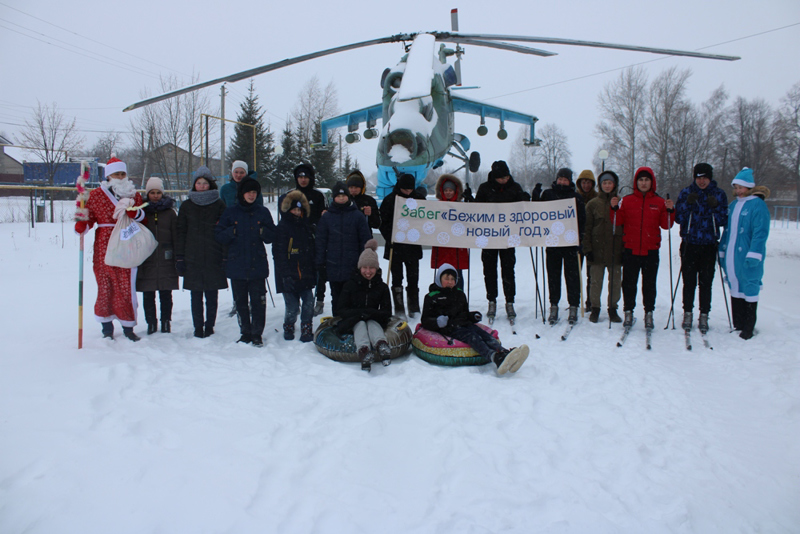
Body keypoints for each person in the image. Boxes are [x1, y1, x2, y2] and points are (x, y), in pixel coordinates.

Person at [74, 156, 145, 341]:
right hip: (104, 244)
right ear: (108, 176)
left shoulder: (133, 194)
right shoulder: (96, 195)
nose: (120, 177)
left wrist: (135, 213)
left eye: (123, 173)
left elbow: (143, 216)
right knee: (105, 284)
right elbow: (88, 218)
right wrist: (83, 225)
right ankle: (106, 327)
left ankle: (128, 327)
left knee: (125, 285)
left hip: (127, 240)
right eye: (116, 174)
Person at [421, 264, 530, 376]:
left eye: (453, 279)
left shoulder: (459, 294)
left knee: (484, 335)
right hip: (449, 327)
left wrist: (473, 316)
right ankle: (494, 357)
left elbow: (464, 313)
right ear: (439, 279)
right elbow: (425, 320)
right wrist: (438, 322)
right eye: (446, 278)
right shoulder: (432, 297)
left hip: (464, 323)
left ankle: (504, 352)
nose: (450, 282)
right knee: (473, 337)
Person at [610, 167, 675, 330]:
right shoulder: (628, 200)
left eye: (646, 180)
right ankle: (629, 311)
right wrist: (614, 208)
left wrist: (670, 210)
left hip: (650, 250)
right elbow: (617, 221)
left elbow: (666, 225)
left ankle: (649, 313)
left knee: (649, 284)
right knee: (629, 284)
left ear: (652, 182)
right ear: (636, 182)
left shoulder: (659, 202)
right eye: (641, 180)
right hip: (631, 250)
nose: (643, 183)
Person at [215, 179, 275, 347]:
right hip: (237, 265)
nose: (251, 195)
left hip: (258, 264)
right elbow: (219, 235)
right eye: (248, 192)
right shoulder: (230, 212)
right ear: (242, 193)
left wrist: (263, 232)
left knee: (258, 302)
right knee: (241, 302)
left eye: (254, 192)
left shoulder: (262, 212)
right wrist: (231, 231)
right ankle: (245, 332)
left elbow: (272, 235)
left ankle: (257, 333)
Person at [675, 163, 729, 333]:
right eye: (699, 177)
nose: (702, 181)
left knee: (706, 282)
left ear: (710, 178)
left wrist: (716, 207)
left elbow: (723, 220)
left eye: (705, 177)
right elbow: (678, 217)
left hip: (708, 245)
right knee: (689, 282)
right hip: (690, 244)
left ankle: (704, 314)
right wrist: (688, 204)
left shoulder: (718, 194)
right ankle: (688, 312)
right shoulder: (686, 192)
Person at [475, 160, 530, 322]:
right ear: (495, 177)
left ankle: (509, 302)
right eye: (501, 178)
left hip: (508, 237)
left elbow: (523, 208)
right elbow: (476, 211)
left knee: (508, 271)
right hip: (489, 237)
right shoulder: (485, 188)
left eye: (506, 177)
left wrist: (526, 198)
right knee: (489, 270)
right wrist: (470, 202)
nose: (504, 180)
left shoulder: (515, 187)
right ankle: (491, 300)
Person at [176, 166, 228, 338]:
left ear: (210, 184)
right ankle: (198, 326)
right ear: (194, 185)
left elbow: (224, 230)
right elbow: (180, 231)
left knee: (212, 294)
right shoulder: (187, 205)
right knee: (196, 295)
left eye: (205, 183)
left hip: (214, 255)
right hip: (193, 256)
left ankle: (210, 325)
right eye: (199, 183)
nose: (202, 186)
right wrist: (180, 257)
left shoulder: (219, 204)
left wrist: (225, 256)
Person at [719, 167, 770, 340]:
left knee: (749, 285)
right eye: (736, 187)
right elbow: (727, 230)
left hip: (747, 254)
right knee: (734, 283)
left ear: (749, 187)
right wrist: (722, 250)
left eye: (741, 187)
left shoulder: (757, 205)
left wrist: (754, 253)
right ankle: (738, 322)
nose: (738, 191)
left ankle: (749, 326)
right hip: (732, 254)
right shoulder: (733, 205)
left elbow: (760, 232)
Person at [538, 167, 586, 325]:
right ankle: (554, 305)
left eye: (565, 179)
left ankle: (573, 306)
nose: (562, 182)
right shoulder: (548, 194)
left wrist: (580, 240)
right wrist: (534, 196)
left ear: (570, 181)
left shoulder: (576, 197)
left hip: (571, 244)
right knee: (553, 276)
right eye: (560, 179)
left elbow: (582, 221)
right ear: (556, 179)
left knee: (572, 277)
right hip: (553, 243)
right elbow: (537, 213)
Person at [316, 181, 372, 316]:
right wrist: (320, 263)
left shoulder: (357, 215)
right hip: (333, 266)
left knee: (353, 297)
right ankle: (338, 322)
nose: (341, 198)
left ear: (348, 197)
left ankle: (352, 323)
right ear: (333, 198)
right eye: (338, 196)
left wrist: (365, 262)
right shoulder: (327, 217)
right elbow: (321, 241)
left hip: (353, 266)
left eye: (344, 195)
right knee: (336, 297)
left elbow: (365, 241)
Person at [337, 240, 393, 371]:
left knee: (372, 323)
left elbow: (387, 311)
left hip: (374, 318)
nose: (368, 271)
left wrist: (371, 313)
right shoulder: (350, 285)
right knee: (361, 324)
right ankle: (364, 351)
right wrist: (360, 314)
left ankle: (381, 345)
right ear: (359, 268)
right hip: (353, 320)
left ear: (377, 268)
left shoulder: (382, 287)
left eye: (371, 267)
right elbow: (341, 309)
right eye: (365, 268)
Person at [280, 164, 328, 316]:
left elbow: (324, 217)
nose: (303, 180)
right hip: (296, 240)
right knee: (298, 269)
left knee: (319, 269)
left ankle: (319, 300)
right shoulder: (290, 195)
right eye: (300, 177)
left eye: (305, 177)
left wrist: (316, 227)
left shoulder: (318, 195)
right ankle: (297, 302)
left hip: (314, 239)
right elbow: (285, 217)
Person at [136, 177, 179, 335]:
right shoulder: (142, 212)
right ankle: (151, 322)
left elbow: (176, 235)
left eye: (158, 193)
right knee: (148, 293)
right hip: (148, 258)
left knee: (166, 293)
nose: (155, 196)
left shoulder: (170, 213)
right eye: (152, 193)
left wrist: (177, 255)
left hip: (166, 257)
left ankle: (166, 321)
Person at [273, 190, 317, 343]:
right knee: (291, 306)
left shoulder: (306, 227)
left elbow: (312, 250)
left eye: (299, 210)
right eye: (294, 210)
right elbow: (278, 253)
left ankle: (306, 326)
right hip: (288, 274)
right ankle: (289, 324)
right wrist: (284, 274)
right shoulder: (282, 228)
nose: (297, 213)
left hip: (305, 272)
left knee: (308, 303)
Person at [379, 173, 425, 318]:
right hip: (395, 246)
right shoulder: (390, 200)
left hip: (412, 245)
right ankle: (399, 307)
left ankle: (414, 306)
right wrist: (390, 236)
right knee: (396, 277)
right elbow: (383, 223)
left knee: (413, 277)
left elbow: (424, 221)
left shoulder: (419, 200)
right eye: (405, 189)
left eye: (410, 189)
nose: (408, 192)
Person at [583, 171, 623, 323]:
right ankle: (595, 308)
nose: (607, 185)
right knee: (595, 282)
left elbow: (625, 226)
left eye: (610, 183)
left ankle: (613, 309)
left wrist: (624, 250)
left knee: (615, 282)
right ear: (600, 185)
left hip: (615, 249)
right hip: (597, 249)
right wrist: (587, 249)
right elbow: (587, 229)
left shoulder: (620, 203)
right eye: (604, 183)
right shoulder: (593, 204)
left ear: (614, 185)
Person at [430, 174, 470, 291]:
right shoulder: (436, 206)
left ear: (455, 191)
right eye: (446, 190)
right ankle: (441, 298)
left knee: (457, 274)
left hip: (456, 247)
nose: (448, 193)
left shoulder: (461, 206)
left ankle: (459, 297)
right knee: (442, 273)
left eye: (450, 190)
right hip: (442, 245)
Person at [576, 169, 597, 309]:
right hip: (576, 240)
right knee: (576, 273)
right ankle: (575, 301)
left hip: (592, 241)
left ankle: (590, 301)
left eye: (588, 182)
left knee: (592, 274)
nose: (586, 185)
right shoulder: (574, 197)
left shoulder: (596, 198)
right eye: (584, 182)